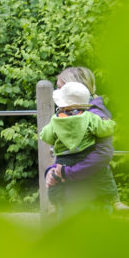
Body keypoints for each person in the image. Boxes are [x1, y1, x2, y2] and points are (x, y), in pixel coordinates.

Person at [42, 71, 117, 217]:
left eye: (60, 88)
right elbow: (68, 151)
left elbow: (103, 155)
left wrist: (65, 173)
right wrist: (51, 171)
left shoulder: (94, 115)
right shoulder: (71, 113)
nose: (57, 92)